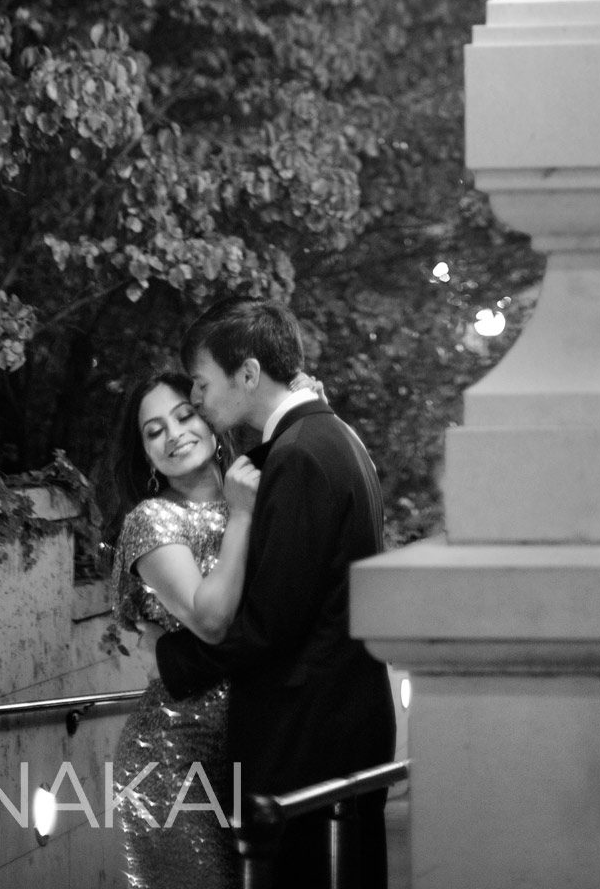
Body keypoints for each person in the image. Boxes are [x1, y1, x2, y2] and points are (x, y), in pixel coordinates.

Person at [155, 298, 396, 889]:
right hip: (339, 731)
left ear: (248, 374)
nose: (198, 398)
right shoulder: (329, 437)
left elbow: (270, 622)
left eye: (203, 382)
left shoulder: (303, 455)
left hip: (307, 739)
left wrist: (172, 658)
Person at [108, 369, 259, 889]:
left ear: (212, 420)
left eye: (184, 415)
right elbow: (211, 620)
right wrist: (240, 518)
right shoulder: (152, 521)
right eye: (154, 431)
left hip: (252, 744)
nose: (174, 435)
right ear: (146, 454)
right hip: (172, 756)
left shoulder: (262, 494)